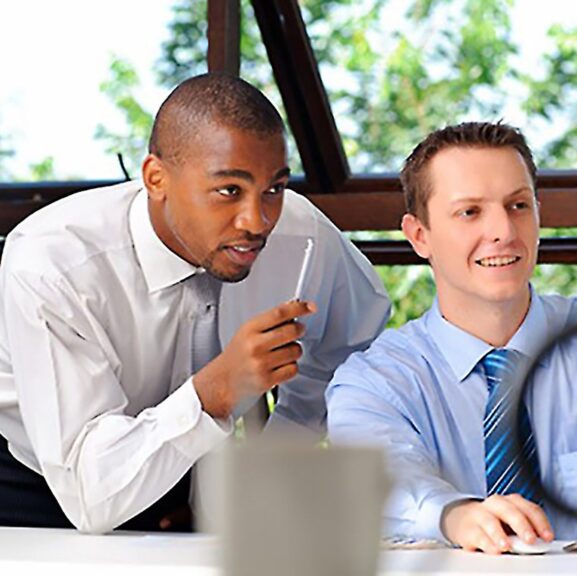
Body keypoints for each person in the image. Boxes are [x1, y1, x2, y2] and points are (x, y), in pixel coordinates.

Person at [0, 73, 390, 533]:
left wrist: (279, 453)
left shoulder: (303, 235)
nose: (258, 221)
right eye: (230, 191)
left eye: (274, 188)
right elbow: (91, 493)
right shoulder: (55, 264)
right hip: (45, 480)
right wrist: (219, 388)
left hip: (194, 469)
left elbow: (355, 342)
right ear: (156, 178)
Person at [327, 122, 577, 554]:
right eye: (470, 212)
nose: (504, 231)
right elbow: (384, 478)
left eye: (518, 205)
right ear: (419, 235)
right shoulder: (374, 383)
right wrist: (455, 515)